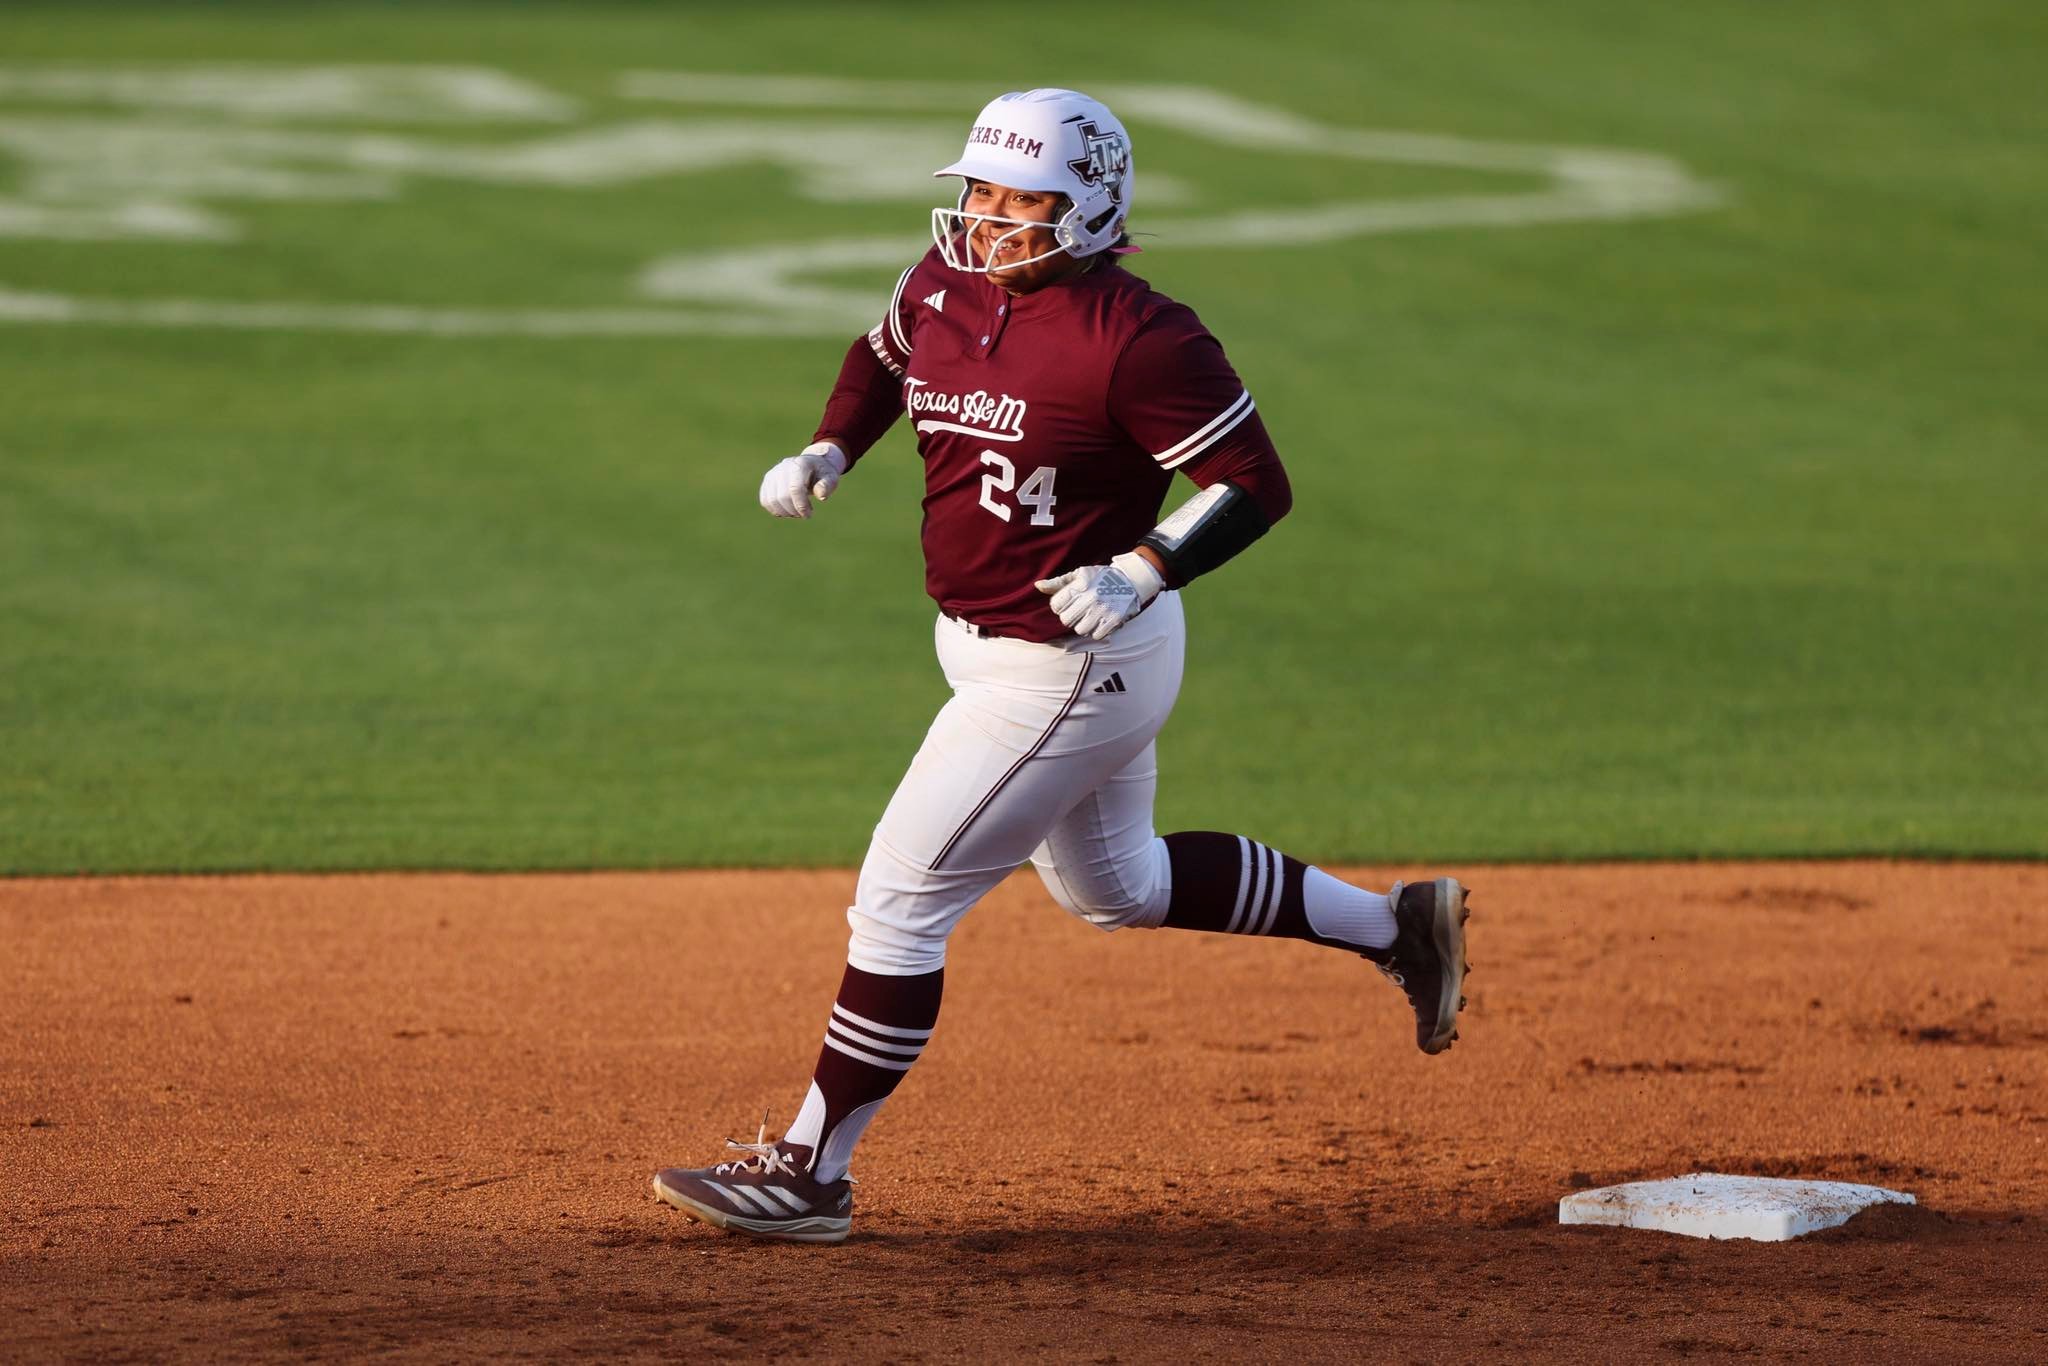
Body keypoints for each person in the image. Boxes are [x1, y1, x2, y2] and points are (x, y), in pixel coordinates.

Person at [652, 88, 1470, 1244]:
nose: (987, 218)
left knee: (896, 903)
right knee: (1115, 886)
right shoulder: (941, 284)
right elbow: (883, 357)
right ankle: (1400, 928)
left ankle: (809, 1171)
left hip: (1069, 666)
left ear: (1088, 206)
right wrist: (834, 439)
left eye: (1018, 200)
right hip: (992, 652)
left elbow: (1251, 481)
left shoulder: (1138, 337)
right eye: (976, 192)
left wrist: (1145, 563)